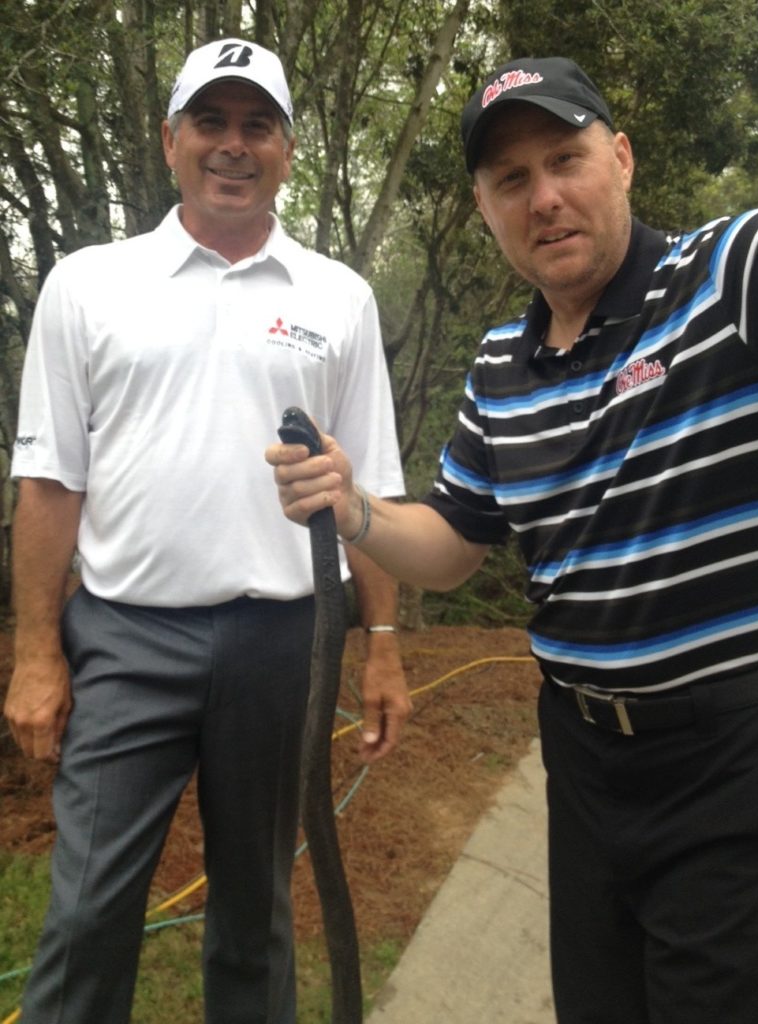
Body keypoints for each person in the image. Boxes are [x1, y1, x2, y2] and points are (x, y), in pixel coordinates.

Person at [268, 56, 758, 1024]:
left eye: (566, 159)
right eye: (511, 180)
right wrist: (354, 508)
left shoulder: (735, 275)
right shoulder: (501, 366)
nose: (543, 197)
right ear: (484, 205)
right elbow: (454, 547)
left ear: (620, 159)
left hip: (749, 763)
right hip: (587, 767)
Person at [4, 37, 411, 1024]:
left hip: (286, 643)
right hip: (128, 638)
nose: (234, 146)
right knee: (89, 910)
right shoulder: (89, 283)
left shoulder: (338, 299)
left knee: (255, 915)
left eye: (256, 126)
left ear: (287, 148)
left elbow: (373, 498)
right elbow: (50, 481)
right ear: (171, 138)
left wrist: (385, 647)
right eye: (211, 123)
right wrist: (33, 654)